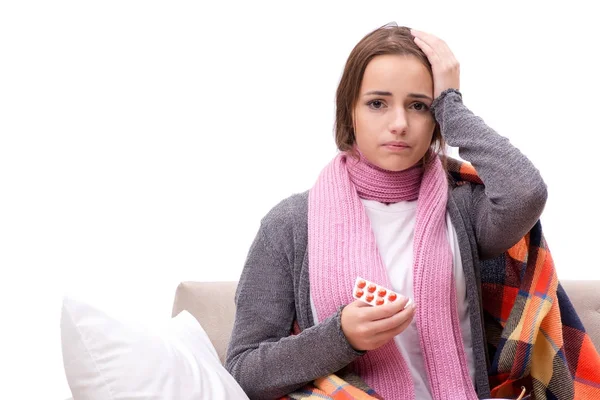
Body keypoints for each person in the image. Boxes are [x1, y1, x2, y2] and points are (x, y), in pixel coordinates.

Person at [224, 23, 548, 400]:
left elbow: (526, 193)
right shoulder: (291, 223)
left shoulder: (461, 209)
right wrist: (341, 336)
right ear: (350, 112)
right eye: (377, 103)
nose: (399, 124)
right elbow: (244, 372)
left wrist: (451, 104)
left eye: (419, 106)